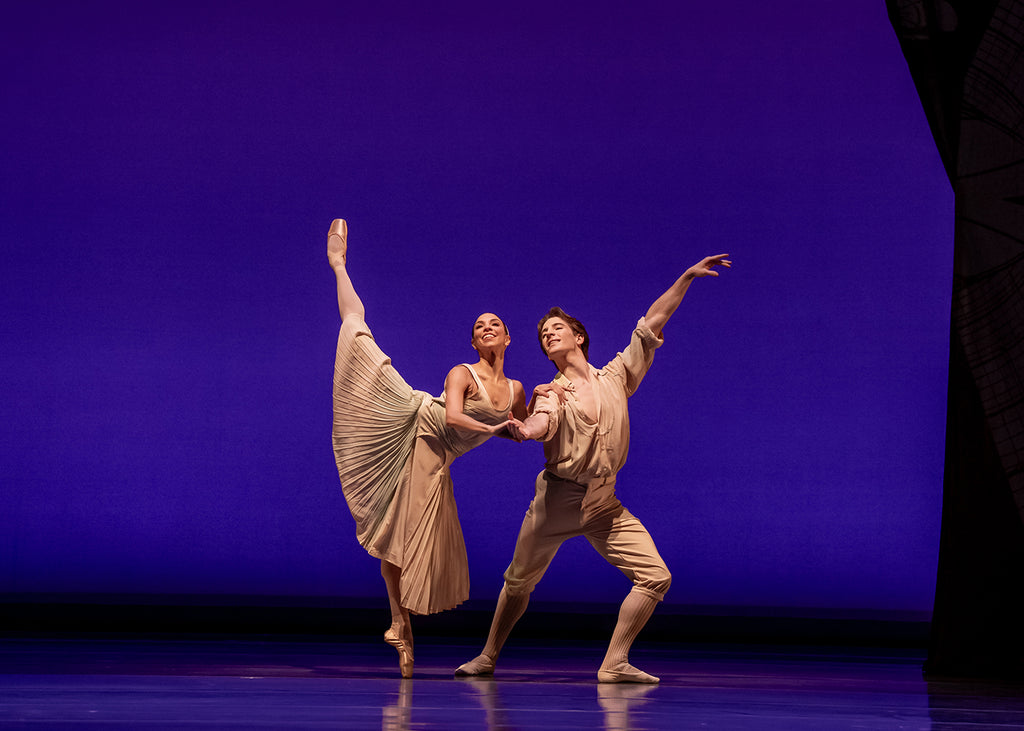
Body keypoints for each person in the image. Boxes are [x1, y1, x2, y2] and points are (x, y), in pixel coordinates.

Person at [455, 253, 731, 683]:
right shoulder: (552, 391)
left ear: (579, 337)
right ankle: (488, 656)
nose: (548, 336)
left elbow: (651, 323)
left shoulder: (616, 377)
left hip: (605, 503)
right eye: (543, 334)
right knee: (519, 581)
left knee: (656, 577)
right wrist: (522, 430)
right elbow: (541, 423)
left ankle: (614, 662)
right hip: (557, 501)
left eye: (556, 329)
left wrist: (686, 278)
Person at [327, 218, 529, 678]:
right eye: (479, 326)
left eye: (495, 324)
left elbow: (529, 421)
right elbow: (456, 417)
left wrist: (542, 420)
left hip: (443, 456)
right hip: (419, 425)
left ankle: (401, 626)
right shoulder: (462, 372)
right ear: (473, 340)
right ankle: (339, 266)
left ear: (508, 337)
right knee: (358, 336)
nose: (487, 328)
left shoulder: (517, 389)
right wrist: (501, 432)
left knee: (402, 532)